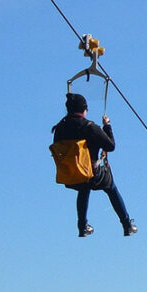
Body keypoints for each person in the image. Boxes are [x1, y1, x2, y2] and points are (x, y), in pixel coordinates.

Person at [52, 91, 134, 237]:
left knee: (84, 187)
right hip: (92, 174)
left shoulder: (59, 128)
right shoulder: (89, 127)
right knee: (111, 187)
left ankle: (82, 226)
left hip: (71, 175)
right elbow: (110, 146)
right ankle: (126, 224)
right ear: (83, 110)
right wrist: (107, 126)